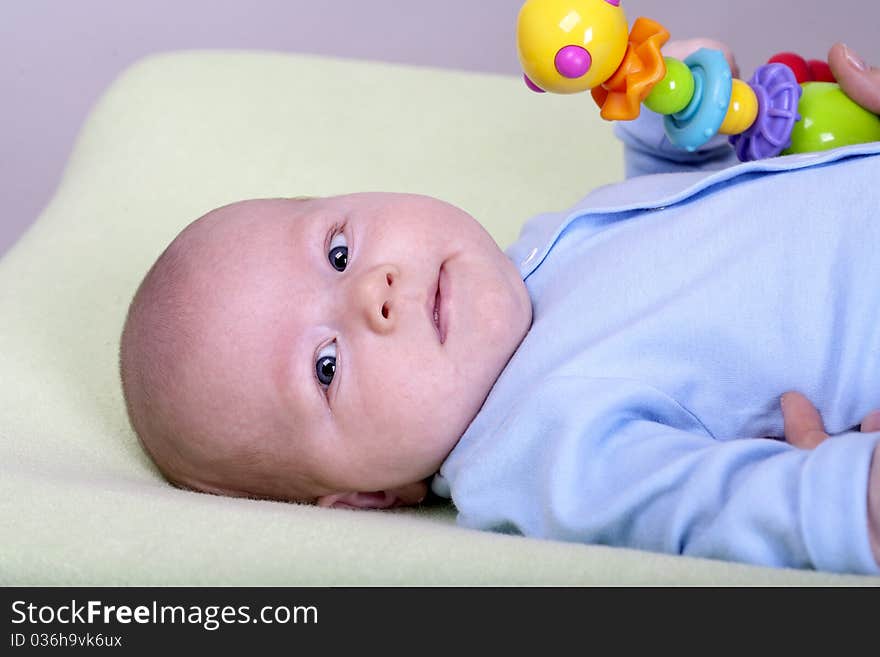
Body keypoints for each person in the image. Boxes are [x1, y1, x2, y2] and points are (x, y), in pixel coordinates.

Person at [119, 40, 880, 574]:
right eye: (325, 366)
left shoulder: (539, 255)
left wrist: (676, 122)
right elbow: (703, 511)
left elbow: (670, 229)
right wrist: (845, 502)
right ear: (369, 496)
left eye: (340, 252)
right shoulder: (536, 453)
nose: (371, 293)